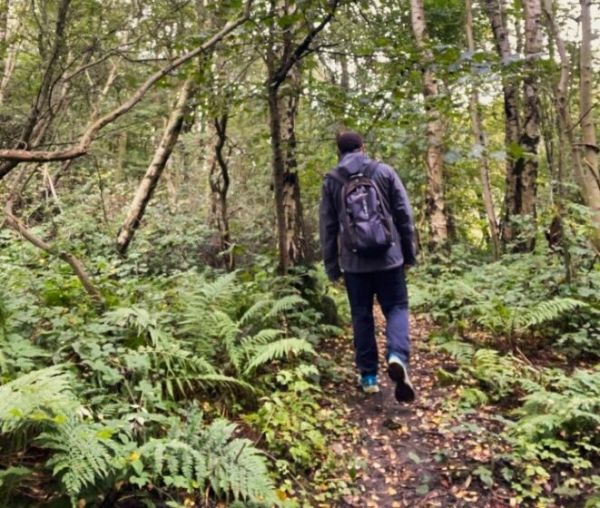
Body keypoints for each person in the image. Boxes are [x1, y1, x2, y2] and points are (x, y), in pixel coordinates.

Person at [319, 131, 417, 403]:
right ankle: (397, 355)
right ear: (363, 147)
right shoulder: (383, 171)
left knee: (361, 316)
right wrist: (408, 253)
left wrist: (332, 267)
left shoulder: (332, 181)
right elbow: (403, 215)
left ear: (338, 152)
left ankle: (369, 378)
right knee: (396, 307)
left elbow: (327, 228)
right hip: (389, 258)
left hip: (354, 264)